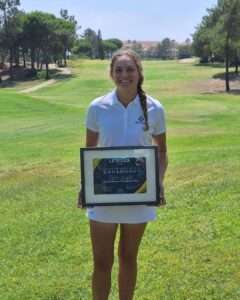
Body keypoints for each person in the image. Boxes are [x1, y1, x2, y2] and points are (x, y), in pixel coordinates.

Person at [78, 49, 168, 300]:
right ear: (111, 74)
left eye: (130, 69)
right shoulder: (98, 107)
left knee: (128, 258)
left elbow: (161, 153)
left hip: (139, 196)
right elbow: (90, 152)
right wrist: (84, 186)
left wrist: (158, 184)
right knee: (102, 262)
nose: (124, 75)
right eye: (119, 70)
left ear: (139, 73)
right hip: (104, 197)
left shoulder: (155, 108)